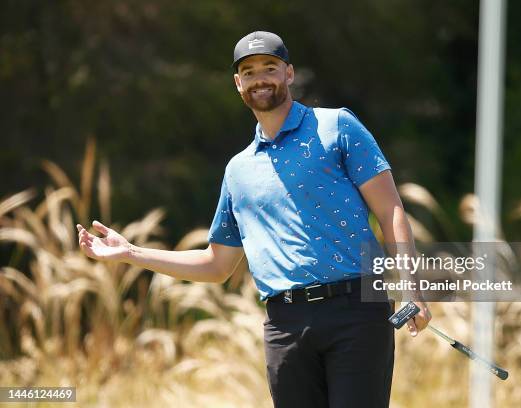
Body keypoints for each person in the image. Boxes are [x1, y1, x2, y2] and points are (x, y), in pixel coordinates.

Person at [77, 31, 431, 408]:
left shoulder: (337, 127)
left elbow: (390, 209)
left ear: (289, 74)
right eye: (248, 72)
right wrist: (132, 252)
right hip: (285, 326)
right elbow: (217, 265)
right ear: (238, 83)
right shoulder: (238, 170)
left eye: (269, 68)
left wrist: (413, 289)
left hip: (356, 313)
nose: (259, 78)